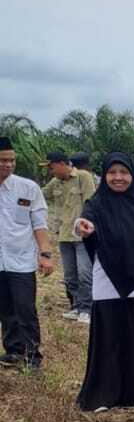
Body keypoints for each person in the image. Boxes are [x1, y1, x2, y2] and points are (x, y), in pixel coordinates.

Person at [75, 153, 134, 411]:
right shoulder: (96, 203)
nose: (118, 178)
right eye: (112, 173)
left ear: (133, 175)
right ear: (104, 176)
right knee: (112, 336)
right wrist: (82, 227)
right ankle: (108, 393)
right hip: (110, 280)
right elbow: (84, 222)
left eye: (123, 172)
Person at [0, 137, 54, 368]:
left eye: (12, 160)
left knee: (25, 309)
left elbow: (39, 223)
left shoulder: (27, 188)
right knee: (5, 309)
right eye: (3, 160)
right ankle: (13, 350)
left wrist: (45, 254)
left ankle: (33, 356)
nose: (8, 165)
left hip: (20, 259)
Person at [42, 150, 95, 323]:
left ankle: (87, 309)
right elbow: (40, 195)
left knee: (84, 274)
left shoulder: (83, 177)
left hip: (81, 235)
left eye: (51, 166)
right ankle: (76, 306)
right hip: (63, 235)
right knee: (70, 275)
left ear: (62, 164)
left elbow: (90, 203)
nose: (50, 171)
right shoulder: (55, 183)